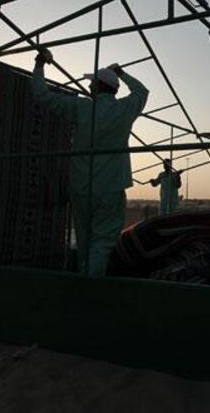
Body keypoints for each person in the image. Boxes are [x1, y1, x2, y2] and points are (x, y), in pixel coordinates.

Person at [32, 48, 148, 276]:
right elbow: (142, 92)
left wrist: (39, 66)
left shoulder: (82, 107)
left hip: (81, 185)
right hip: (111, 187)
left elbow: (42, 96)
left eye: (92, 83)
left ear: (98, 86)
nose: (89, 86)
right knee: (103, 242)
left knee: (85, 240)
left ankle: (83, 281)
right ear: (114, 89)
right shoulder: (124, 109)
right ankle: (90, 286)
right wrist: (121, 73)